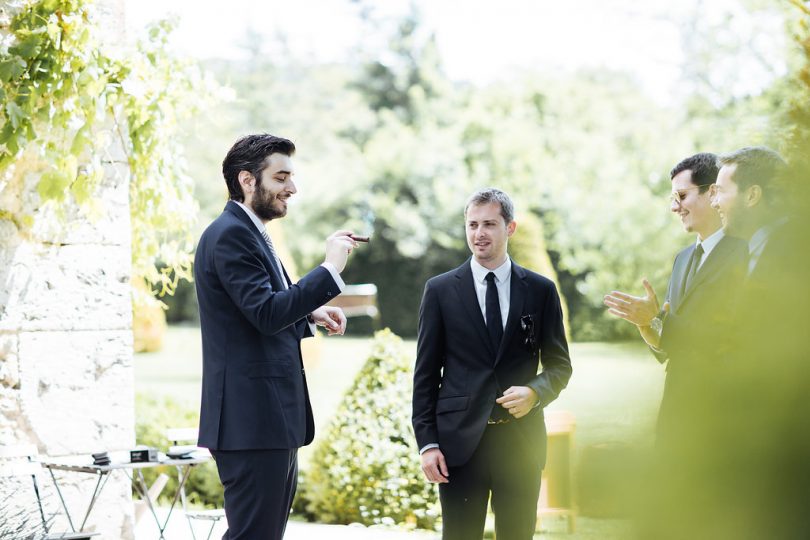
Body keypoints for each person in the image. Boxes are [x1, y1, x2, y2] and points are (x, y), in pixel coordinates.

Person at [194, 134, 358, 539]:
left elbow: (258, 307)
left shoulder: (249, 231)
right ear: (247, 180)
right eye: (281, 176)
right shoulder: (231, 234)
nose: (292, 188)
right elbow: (267, 314)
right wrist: (330, 270)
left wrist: (312, 312)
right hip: (251, 423)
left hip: (265, 422)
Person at [412, 188, 572, 540]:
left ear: (510, 228)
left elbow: (561, 365)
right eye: (472, 225)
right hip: (459, 445)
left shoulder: (541, 290)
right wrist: (428, 444)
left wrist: (536, 392)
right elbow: (424, 375)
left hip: (521, 443)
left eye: (489, 224)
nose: (478, 233)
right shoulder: (439, 290)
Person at [602, 153, 746, 445]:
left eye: (681, 195)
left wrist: (659, 321)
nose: (674, 207)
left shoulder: (743, 253)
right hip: (675, 417)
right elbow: (670, 345)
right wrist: (647, 326)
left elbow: (727, 336)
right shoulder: (682, 260)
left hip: (720, 418)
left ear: (712, 192)